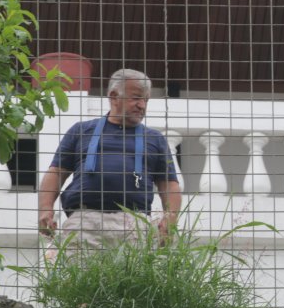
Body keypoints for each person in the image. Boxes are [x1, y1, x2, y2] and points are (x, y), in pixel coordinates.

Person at [38, 68, 181, 252]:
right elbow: (56, 173)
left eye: (146, 100)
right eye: (136, 98)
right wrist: (45, 209)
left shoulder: (155, 139)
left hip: (135, 225)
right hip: (84, 223)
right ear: (114, 97)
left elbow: (169, 184)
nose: (142, 105)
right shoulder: (81, 131)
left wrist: (170, 217)